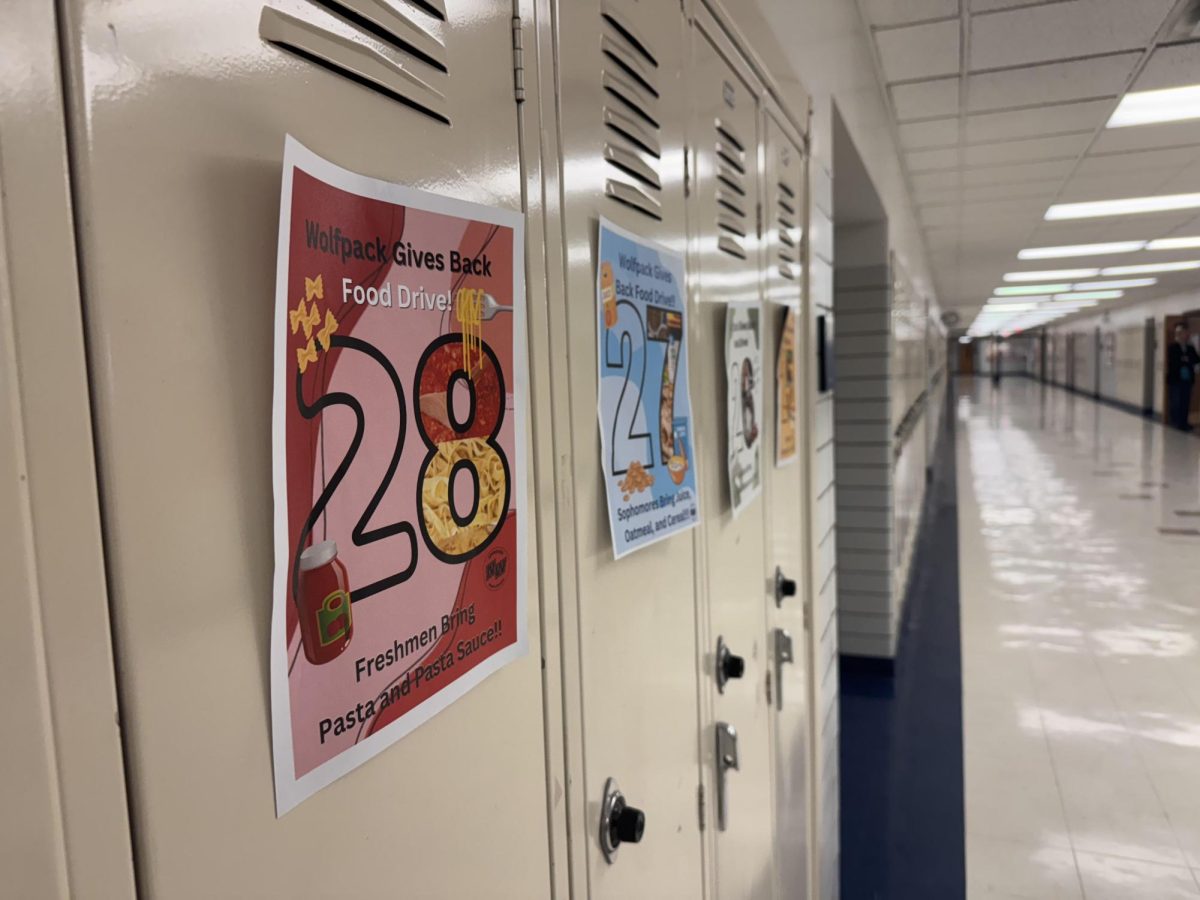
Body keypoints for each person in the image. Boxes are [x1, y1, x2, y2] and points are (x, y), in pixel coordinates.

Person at [1167, 321, 1200, 431]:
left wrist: (1185, 359)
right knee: (1176, 402)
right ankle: (1176, 422)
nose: (1187, 335)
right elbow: (1174, 362)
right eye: (1185, 333)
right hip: (1176, 380)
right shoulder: (1173, 347)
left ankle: (1184, 422)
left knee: (1186, 402)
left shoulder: (1190, 348)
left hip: (1187, 379)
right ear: (1179, 334)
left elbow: (1196, 359)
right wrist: (1185, 360)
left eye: (1188, 333)